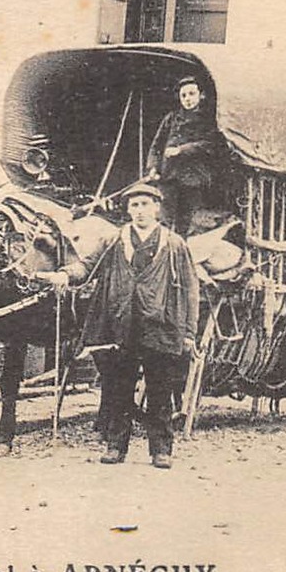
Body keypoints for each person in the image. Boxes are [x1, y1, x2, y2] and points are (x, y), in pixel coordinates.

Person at [37, 181, 199, 469]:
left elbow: (189, 289)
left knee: (160, 389)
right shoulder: (114, 241)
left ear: (157, 208)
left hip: (161, 327)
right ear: (127, 210)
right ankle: (115, 446)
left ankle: (161, 450)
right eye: (134, 205)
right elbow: (87, 266)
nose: (140, 211)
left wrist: (188, 332)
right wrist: (65, 275)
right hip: (120, 325)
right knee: (117, 388)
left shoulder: (174, 245)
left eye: (145, 205)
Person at [145, 76, 223, 234]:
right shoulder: (171, 118)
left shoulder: (208, 119)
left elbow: (211, 145)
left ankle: (180, 253)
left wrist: (182, 150)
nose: (188, 99)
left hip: (193, 179)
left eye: (192, 94)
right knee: (163, 218)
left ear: (201, 95)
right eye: (184, 95)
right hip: (168, 177)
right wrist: (153, 167)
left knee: (186, 222)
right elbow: (157, 145)